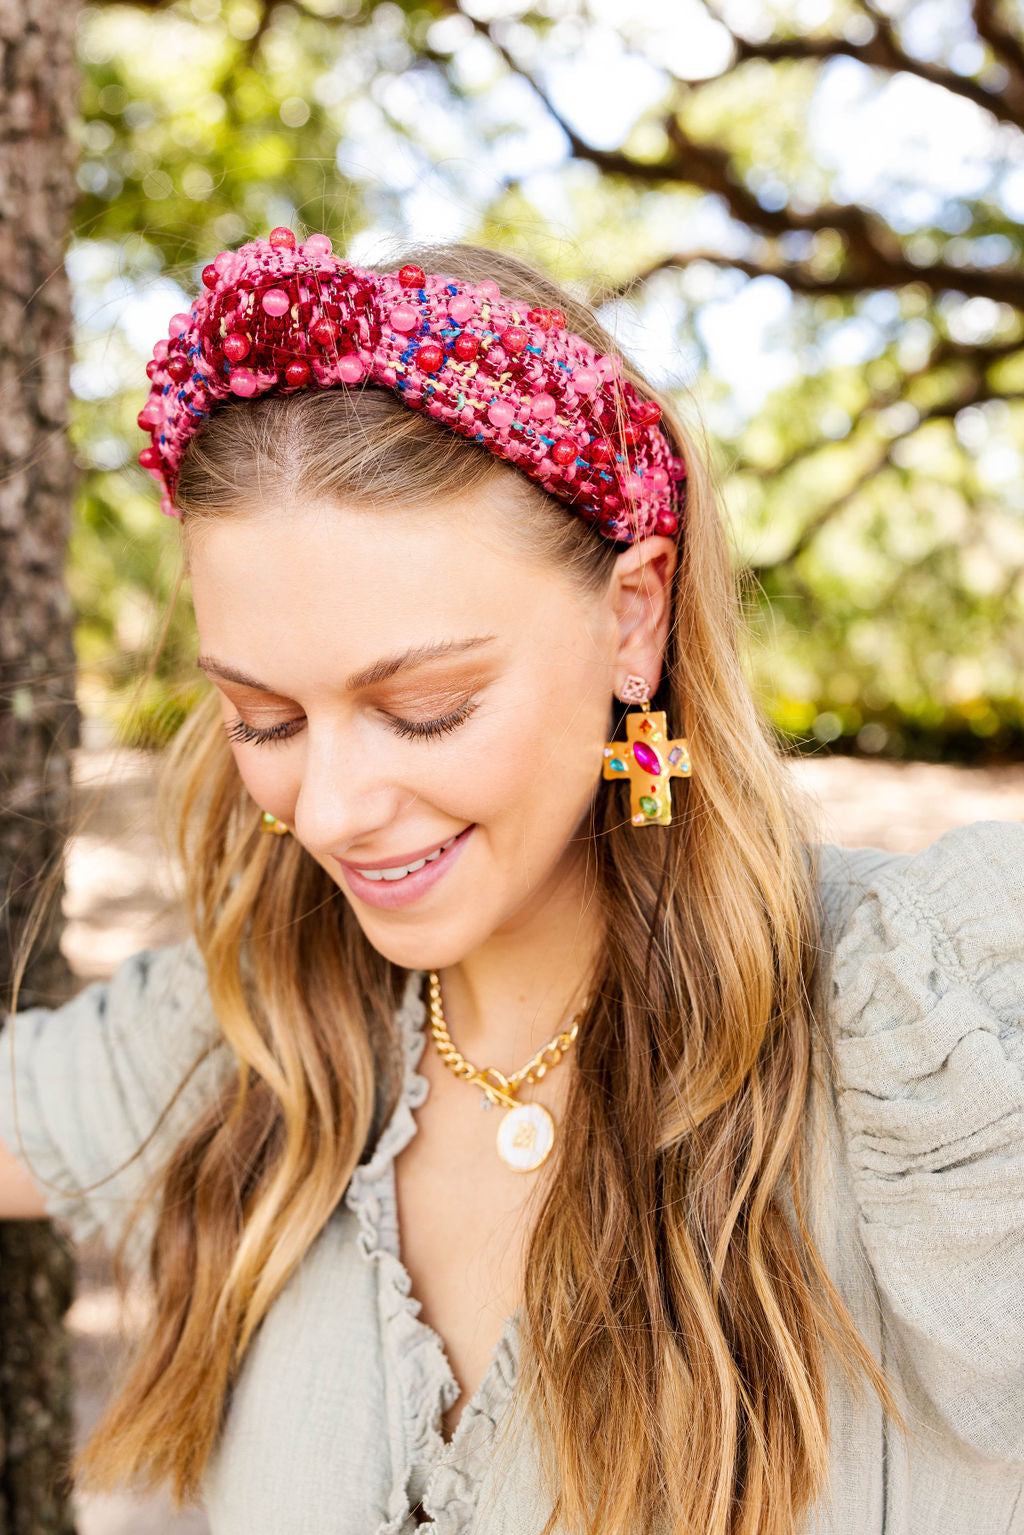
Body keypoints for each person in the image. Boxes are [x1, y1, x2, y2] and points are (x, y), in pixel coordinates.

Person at [1, 229, 1021, 1535]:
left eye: (425, 708)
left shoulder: (936, 1034)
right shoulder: (255, 1035)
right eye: (264, 718)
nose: (332, 810)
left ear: (633, 616)